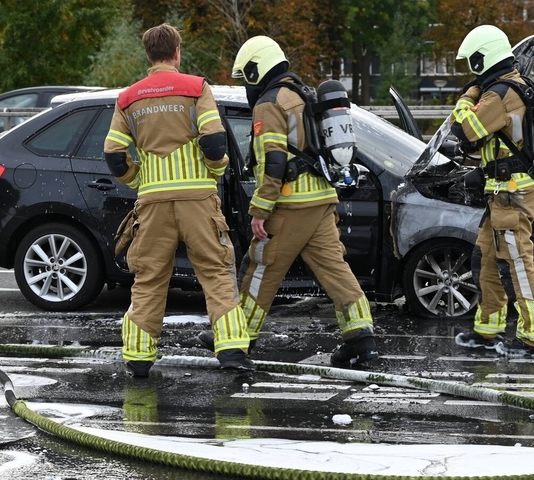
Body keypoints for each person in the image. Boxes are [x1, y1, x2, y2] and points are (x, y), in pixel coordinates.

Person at [104, 24, 253, 377]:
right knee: (216, 272)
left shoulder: (128, 98)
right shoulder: (196, 88)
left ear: (148, 55)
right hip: (198, 200)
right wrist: (216, 169)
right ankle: (231, 350)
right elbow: (215, 141)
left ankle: (138, 357)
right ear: (176, 53)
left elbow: (113, 154)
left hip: (152, 203)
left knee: (150, 277)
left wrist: (139, 179)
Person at [224, 35, 379, 368]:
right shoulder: (304, 94)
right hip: (322, 200)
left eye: (246, 74)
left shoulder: (270, 102)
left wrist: (260, 209)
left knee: (261, 268)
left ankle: (237, 341)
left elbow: (273, 161)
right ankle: (362, 340)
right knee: (336, 271)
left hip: (290, 204)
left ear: (256, 69)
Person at [450, 24, 534, 358]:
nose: (471, 69)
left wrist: (467, 96)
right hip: (500, 192)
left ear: (485, 56)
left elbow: (465, 132)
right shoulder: (509, 88)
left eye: (473, 62)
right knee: (488, 260)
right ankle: (488, 329)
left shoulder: (500, 94)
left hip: (511, 194)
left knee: (519, 264)